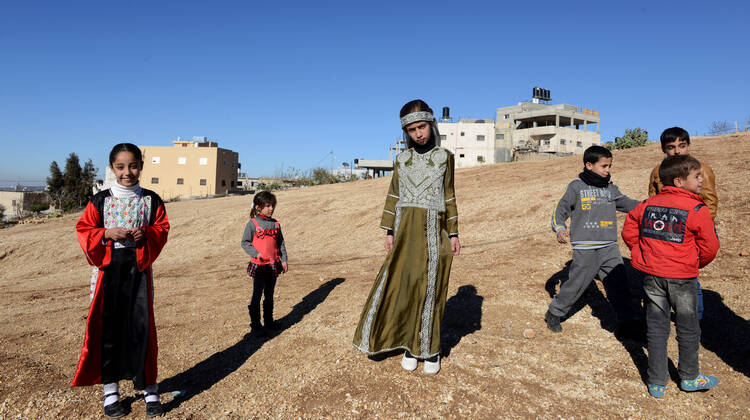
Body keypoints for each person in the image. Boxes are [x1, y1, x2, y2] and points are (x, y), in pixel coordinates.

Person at [353, 99, 460, 375]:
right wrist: (389, 230)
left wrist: (455, 232)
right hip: (403, 232)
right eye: (411, 130)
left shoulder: (444, 157)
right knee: (404, 285)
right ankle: (408, 345)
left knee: (431, 287)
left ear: (431, 124)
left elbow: (449, 195)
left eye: (422, 127)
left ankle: (429, 349)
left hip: (434, 231)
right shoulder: (401, 160)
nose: (418, 134)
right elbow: (393, 195)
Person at [74, 143, 170, 418]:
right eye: (121, 167)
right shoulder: (100, 200)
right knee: (110, 329)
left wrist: (146, 234)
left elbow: (161, 228)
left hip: (138, 271)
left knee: (141, 327)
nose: (127, 172)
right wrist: (105, 234)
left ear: (141, 165)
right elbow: (84, 229)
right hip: (108, 273)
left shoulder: (151, 199)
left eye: (133, 165)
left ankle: (149, 387)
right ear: (112, 168)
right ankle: (110, 390)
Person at [622, 154, 720, 398]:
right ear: (678, 181)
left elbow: (629, 229)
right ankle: (689, 377)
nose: (701, 181)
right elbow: (710, 246)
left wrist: (640, 252)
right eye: (697, 176)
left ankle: (656, 382)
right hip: (683, 279)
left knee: (656, 327)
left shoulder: (646, 204)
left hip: (652, 276)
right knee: (688, 327)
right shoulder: (697, 209)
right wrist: (697, 262)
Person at [546, 145, 640, 333]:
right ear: (589, 165)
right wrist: (560, 228)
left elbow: (629, 204)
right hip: (586, 248)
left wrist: (652, 206)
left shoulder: (611, 189)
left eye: (610, 166)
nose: (608, 170)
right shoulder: (576, 186)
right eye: (604, 166)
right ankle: (554, 313)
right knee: (576, 285)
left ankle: (628, 324)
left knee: (619, 285)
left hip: (610, 248)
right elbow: (560, 210)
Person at [648, 127, 717, 320]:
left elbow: (710, 202)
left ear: (688, 145)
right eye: (671, 147)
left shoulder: (701, 169)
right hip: (666, 230)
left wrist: (698, 228)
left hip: (692, 231)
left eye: (682, 146)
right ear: (664, 149)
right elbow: (652, 200)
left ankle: (694, 317)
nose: (677, 151)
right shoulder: (658, 171)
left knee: (689, 274)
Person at [241, 191, 288, 335]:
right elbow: (245, 242)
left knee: (269, 294)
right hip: (260, 267)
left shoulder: (275, 224)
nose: (271, 209)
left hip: (273, 265)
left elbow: (281, 243)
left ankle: (269, 322)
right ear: (258, 207)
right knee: (257, 295)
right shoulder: (253, 224)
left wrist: (284, 259)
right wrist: (256, 254)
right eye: (267, 206)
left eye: (272, 205)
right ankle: (256, 325)